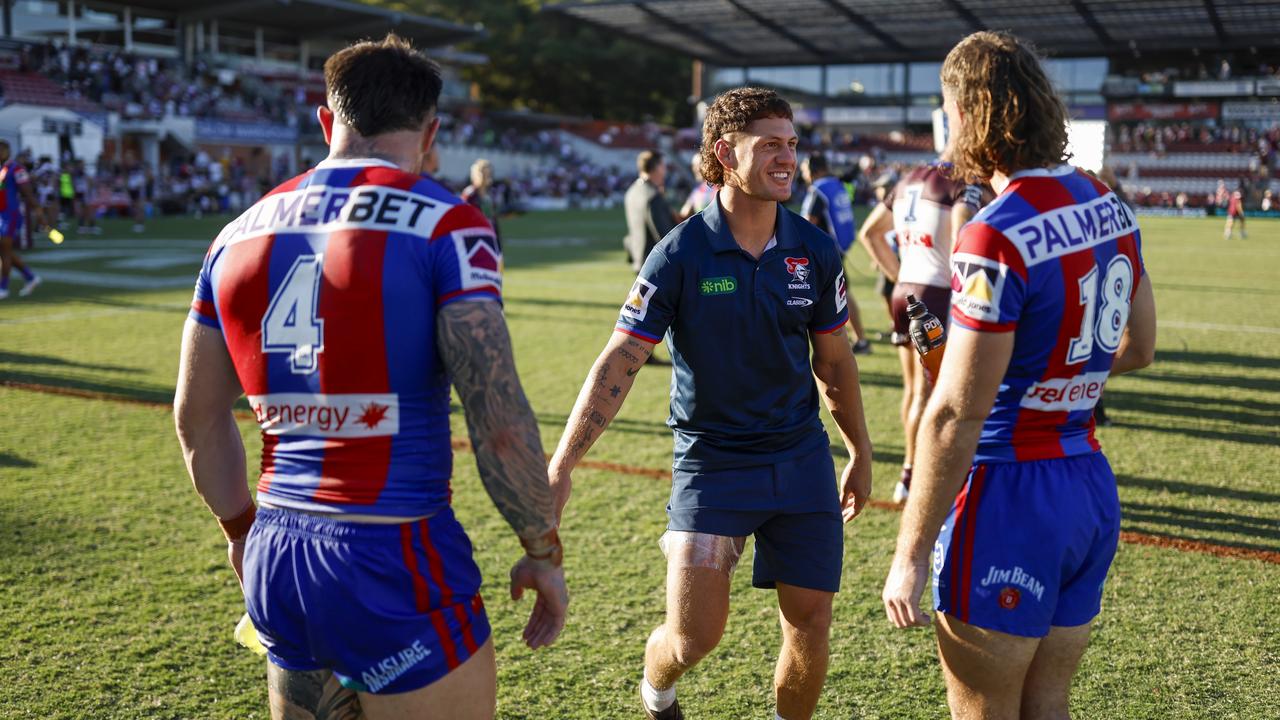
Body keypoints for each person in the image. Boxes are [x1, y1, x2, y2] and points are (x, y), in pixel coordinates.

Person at [173, 35, 568, 720]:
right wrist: (541, 547)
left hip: (277, 549)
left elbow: (196, 416)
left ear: (327, 123)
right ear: (431, 132)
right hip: (393, 552)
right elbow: (499, 423)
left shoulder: (233, 236)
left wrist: (241, 530)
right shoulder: (450, 225)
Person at [549, 87, 873, 720]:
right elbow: (620, 360)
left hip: (799, 458)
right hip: (712, 463)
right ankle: (657, 688)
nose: (788, 158)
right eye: (771, 145)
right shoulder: (679, 254)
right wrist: (561, 465)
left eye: (792, 144)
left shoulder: (815, 249)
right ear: (726, 152)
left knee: (810, 620)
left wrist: (859, 450)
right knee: (694, 638)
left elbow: (834, 362)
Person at [882, 31, 1157, 719]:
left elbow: (954, 415)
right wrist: (1057, 385)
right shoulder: (1107, 200)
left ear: (971, 114)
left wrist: (909, 553)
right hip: (1087, 482)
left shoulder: (996, 231)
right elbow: (1139, 347)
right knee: (1048, 702)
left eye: (947, 110)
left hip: (1007, 493)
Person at [855, 157, 990, 503]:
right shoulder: (963, 180)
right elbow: (965, 234)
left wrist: (898, 275)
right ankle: (916, 474)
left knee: (914, 390)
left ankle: (909, 473)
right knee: (935, 394)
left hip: (906, 291)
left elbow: (870, 233)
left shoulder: (907, 177)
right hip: (938, 292)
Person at [801, 153, 872, 355]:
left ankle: (860, 339)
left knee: (839, 295)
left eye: (806, 169)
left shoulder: (818, 189)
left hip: (823, 252)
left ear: (814, 169)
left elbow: (808, 221)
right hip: (838, 247)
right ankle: (855, 337)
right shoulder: (836, 184)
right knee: (839, 294)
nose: (804, 174)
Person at [0, 140, 43, 300]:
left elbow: (28, 193)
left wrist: (39, 213)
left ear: (7, 151)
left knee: (4, 250)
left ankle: (3, 288)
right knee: (5, 251)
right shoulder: (2, 170)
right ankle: (30, 277)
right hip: (1, 215)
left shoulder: (16, 169)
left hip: (10, 215)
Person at [624, 149, 674, 271]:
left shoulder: (631, 191)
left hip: (638, 260)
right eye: (663, 166)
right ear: (656, 168)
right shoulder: (653, 196)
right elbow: (664, 236)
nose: (665, 171)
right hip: (655, 265)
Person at [461, 158, 501, 242]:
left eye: (489, 174)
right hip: (474, 238)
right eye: (483, 173)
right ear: (475, 174)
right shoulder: (469, 195)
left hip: (490, 236)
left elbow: (493, 220)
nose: (487, 177)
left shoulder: (492, 193)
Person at [677, 154, 714, 220]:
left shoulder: (719, 187)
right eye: (693, 166)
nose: (695, 169)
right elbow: (683, 214)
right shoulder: (697, 191)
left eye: (698, 165)